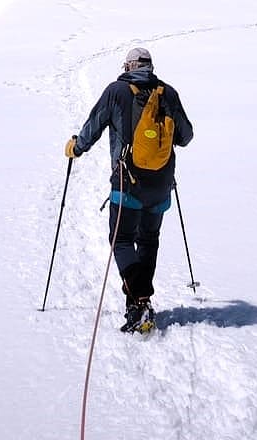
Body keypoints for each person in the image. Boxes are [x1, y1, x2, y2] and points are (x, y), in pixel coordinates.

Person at [65, 46, 194, 333]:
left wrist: (76, 148)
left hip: (127, 183)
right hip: (160, 186)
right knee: (148, 241)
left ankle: (139, 301)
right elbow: (185, 137)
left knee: (121, 240)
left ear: (129, 66)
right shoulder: (168, 93)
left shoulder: (116, 91)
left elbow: (93, 126)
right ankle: (140, 301)